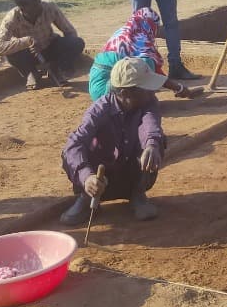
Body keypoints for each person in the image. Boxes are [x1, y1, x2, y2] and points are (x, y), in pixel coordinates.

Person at [60, 57, 167, 225]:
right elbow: (74, 145)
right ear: (126, 94)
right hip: (102, 175)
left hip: (129, 169)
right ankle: (87, 197)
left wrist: (151, 144)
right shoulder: (99, 110)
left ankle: (137, 193)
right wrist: (87, 177)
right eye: (146, 89)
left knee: (157, 141)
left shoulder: (149, 103)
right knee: (71, 153)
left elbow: (150, 124)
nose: (152, 92)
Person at [88, 8, 202, 101]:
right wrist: (181, 89)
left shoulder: (121, 33)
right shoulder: (142, 43)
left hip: (96, 90)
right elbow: (152, 73)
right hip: (108, 93)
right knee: (145, 68)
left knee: (139, 69)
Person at [0, 0, 86, 89]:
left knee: (76, 43)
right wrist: (26, 41)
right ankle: (31, 73)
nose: (39, 8)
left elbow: (70, 31)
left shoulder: (49, 7)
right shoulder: (11, 19)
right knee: (11, 54)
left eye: (39, 3)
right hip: (28, 55)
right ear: (22, 9)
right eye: (34, 7)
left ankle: (57, 70)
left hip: (50, 47)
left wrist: (66, 61)